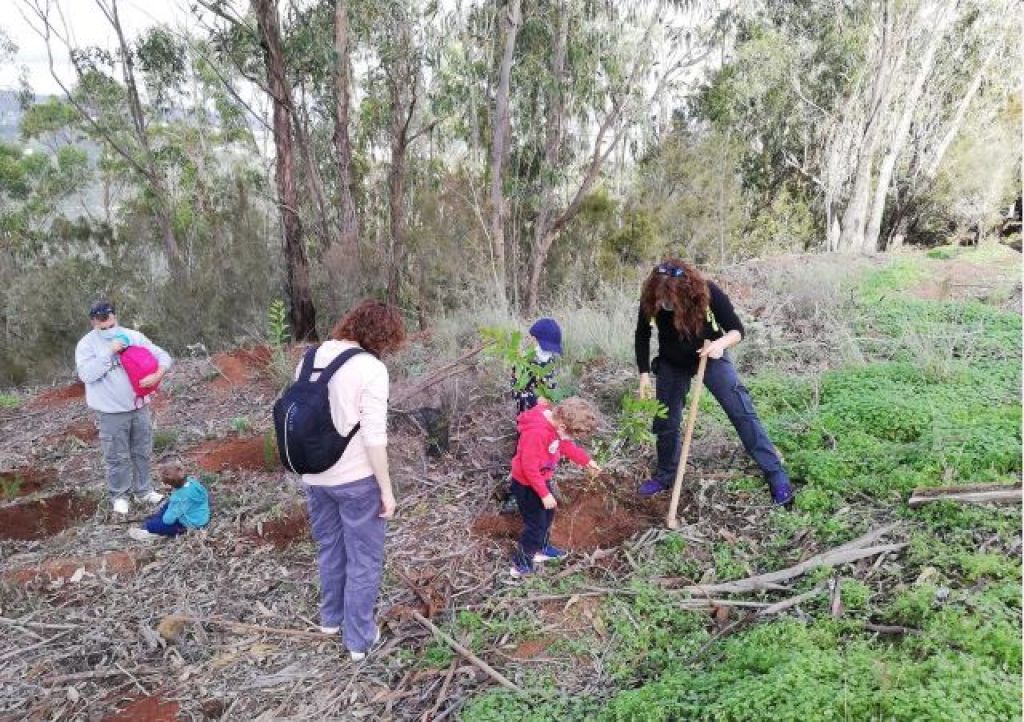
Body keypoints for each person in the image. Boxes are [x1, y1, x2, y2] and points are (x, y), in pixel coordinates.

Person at [634, 260, 794, 506]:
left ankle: (775, 474)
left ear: (685, 291)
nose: (665, 304)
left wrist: (720, 344)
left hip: (710, 356)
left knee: (741, 411)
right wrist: (644, 374)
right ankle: (665, 475)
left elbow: (737, 330)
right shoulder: (651, 297)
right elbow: (642, 335)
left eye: (670, 300)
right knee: (666, 421)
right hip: (672, 363)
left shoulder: (707, 292)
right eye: (661, 299)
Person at [299, 299, 405, 662]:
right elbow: (374, 437)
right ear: (383, 337)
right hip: (356, 479)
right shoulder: (370, 368)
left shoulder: (310, 357)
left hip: (315, 476)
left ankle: (331, 619)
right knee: (364, 559)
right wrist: (386, 490)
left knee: (330, 547)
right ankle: (359, 638)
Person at [75, 299, 173, 515]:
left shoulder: (133, 336)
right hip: (111, 412)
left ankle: (144, 490)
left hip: (139, 406)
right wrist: (108, 352)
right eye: (102, 325)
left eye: (110, 323)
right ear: (93, 322)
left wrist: (157, 374)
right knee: (116, 456)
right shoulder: (86, 345)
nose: (108, 328)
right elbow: (86, 375)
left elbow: (163, 356)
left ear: (115, 317)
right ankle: (119, 495)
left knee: (142, 450)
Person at [508, 397, 602, 578]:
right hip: (527, 484)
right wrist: (544, 494)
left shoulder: (556, 426)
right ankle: (521, 564)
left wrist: (587, 461)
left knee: (548, 514)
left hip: (540, 480)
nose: (570, 439)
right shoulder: (537, 433)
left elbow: (566, 446)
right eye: (571, 435)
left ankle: (540, 548)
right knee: (535, 525)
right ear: (562, 427)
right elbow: (529, 468)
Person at [501, 318, 564, 514]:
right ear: (535, 340)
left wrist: (552, 400)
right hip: (528, 419)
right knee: (523, 454)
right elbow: (516, 392)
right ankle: (515, 494)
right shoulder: (522, 362)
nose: (548, 352)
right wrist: (535, 399)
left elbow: (552, 387)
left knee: (544, 453)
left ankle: (541, 487)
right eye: (546, 347)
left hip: (547, 420)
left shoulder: (550, 361)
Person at [128, 461, 210, 541]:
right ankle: (156, 518)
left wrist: (163, 518)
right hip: (201, 516)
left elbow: (168, 520)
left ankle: (150, 530)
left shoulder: (179, 498)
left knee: (152, 525)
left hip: (190, 523)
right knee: (168, 505)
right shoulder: (193, 482)